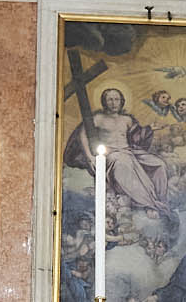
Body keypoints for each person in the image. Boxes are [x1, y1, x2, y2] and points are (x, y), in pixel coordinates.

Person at [62, 86, 170, 216]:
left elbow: (136, 137)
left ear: (121, 101)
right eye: (110, 100)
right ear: (104, 101)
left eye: (116, 99)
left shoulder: (127, 119)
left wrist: (149, 129)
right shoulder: (98, 118)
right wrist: (90, 156)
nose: (114, 103)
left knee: (159, 164)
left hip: (130, 151)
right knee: (123, 163)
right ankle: (147, 203)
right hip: (112, 154)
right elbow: (83, 135)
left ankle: (161, 201)